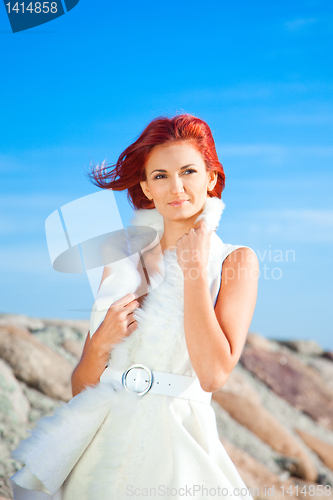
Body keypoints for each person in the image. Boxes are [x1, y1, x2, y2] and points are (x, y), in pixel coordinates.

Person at [10, 113, 259, 500]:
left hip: (178, 449)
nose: (176, 187)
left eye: (189, 171)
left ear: (211, 178)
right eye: (161, 176)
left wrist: (192, 274)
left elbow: (212, 374)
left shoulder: (236, 261)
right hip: (100, 450)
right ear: (146, 186)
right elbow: (81, 389)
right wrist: (99, 344)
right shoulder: (121, 260)